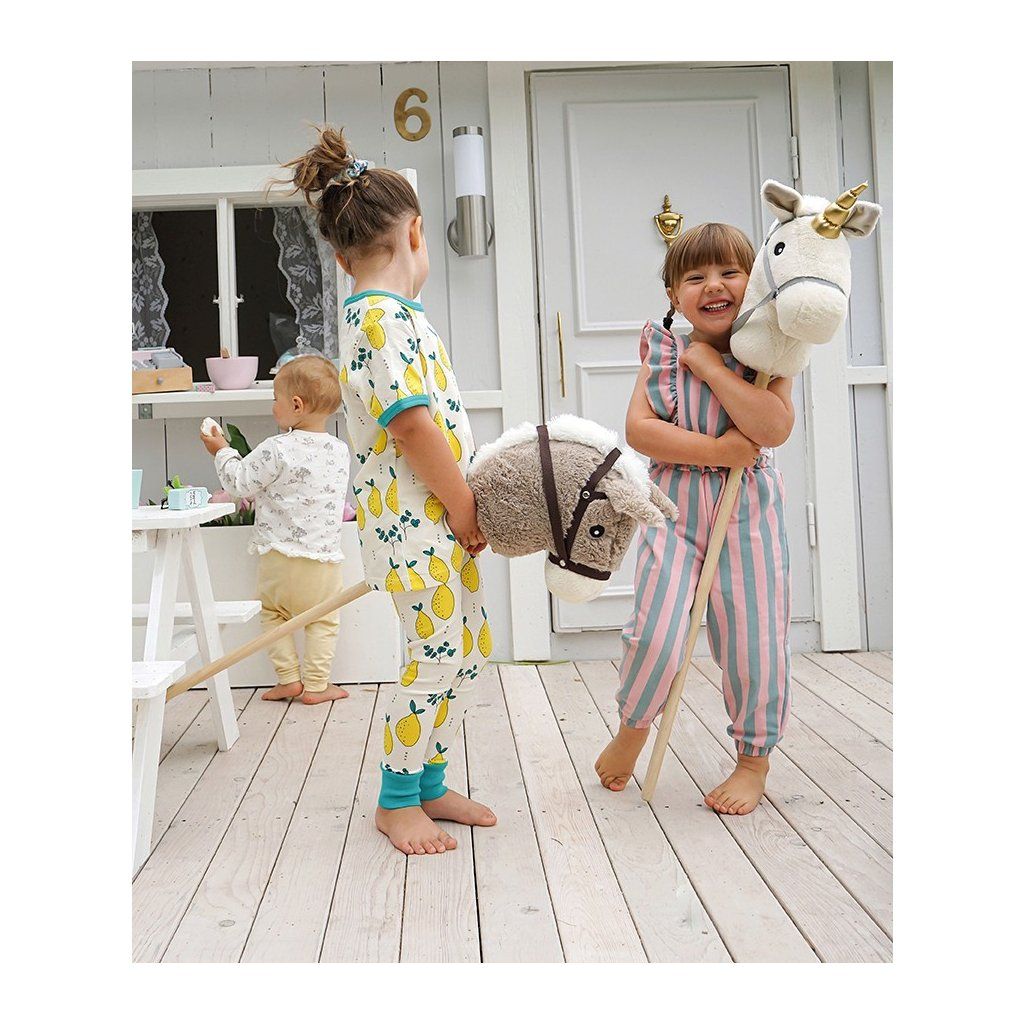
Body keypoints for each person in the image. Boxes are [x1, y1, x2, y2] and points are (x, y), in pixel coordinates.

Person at [281, 126, 496, 856]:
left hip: (441, 523)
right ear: (416, 233)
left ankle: (430, 782)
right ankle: (397, 799)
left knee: (466, 652)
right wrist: (464, 506)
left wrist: (463, 508)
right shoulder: (376, 320)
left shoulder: (396, 319)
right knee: (434, 658)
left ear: (342, 257)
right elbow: (410, 426)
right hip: (418, 526)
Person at [595, 223, 795, 815]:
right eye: (695, 276)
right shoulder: (663, 352)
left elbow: (773, 428)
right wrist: (718, 451)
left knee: (755, 640)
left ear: (753, 283)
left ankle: (753, 759)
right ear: (673, 295)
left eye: (730, 272)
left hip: (748, 511)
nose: (714, 285)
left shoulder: (772, 351)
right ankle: (634, 727)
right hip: (676, 507)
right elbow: (640, 431)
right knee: (656, 631)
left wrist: (712, 368)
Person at [201, 355, 351, 705]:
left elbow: (239, 483)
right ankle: (317, 686)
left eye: (275, 399)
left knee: (274, 616)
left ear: (296, 405)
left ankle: (288, 680)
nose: (273, 407)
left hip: (278, 558)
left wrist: (221, 451)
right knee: (323, 621)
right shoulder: (340, 451)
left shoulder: (276, 448)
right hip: (323, 561)